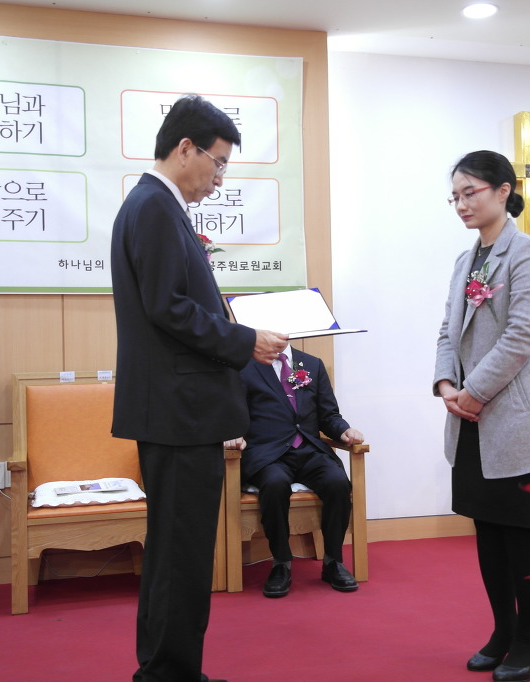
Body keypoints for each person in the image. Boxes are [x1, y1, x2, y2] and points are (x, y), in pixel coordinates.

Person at [110, 94, 288, 682]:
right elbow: (168, 308)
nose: (219, 178)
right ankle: (169, 673)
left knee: (175, 550)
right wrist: (244, 340)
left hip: (176, 409)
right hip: (178, 411)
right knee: (180, 552)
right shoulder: (154, 208)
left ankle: (166, 669)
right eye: (219, 163)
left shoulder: (154, 205)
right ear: (185, 148)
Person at [433, 151, 530, 682]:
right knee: (487, 530)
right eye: (455, 197)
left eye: (471, 192)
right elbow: (448, 331)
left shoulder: (528, 253)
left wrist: (475, 392)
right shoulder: (464, 261)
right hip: (470, 419)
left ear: (503, 191)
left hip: (515, 419)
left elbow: (523, 335)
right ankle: (503, 630)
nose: (462, 204)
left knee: (521, 531)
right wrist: (446, 385)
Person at [226, 344, 363, 598]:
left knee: (337, 482)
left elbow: (329, 415)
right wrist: (233, 433)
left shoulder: (312, 364)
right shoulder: (245, 365)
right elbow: (235, 413)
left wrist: (344, 430)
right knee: (275, 483)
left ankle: (333, 561)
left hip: (310, 450)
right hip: (269, 453)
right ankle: (281, 562)